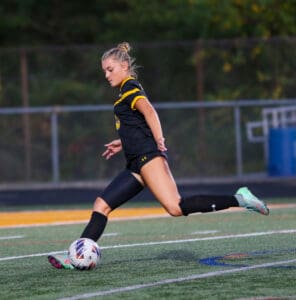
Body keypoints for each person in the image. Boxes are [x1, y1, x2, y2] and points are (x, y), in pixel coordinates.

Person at [48, 42, 269, 269]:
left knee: (175, 207)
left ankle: (240, 199)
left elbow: (149, 111)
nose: (106, 75)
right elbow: (137, 126)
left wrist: (159, 138)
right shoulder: (123, 93)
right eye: (104, 70)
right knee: (101, 205)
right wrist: (123, 142)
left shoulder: (131, 87)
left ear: (124, 66)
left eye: (110, 69)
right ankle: (76, 257)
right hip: (135, 164)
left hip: (148, 158)